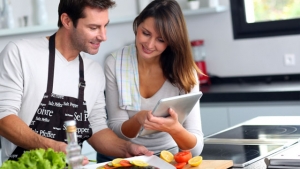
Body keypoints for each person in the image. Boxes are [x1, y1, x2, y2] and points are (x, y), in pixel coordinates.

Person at [0, 0, 153, 164]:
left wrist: (126, 148)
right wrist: (53, 147)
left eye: (105, 26)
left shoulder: (93, 71)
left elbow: (96, 128)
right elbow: (3, 117)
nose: (103, 36)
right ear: (67, 21)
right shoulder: (20, 53)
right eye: (93, 28)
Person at [97, 0, 204, 163]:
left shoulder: (184, 72)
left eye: (161, 40)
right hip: (126, 157)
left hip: (169, 158)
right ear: (137, 24)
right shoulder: (114, 63)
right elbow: (116, 128)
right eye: (146, 33)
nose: (149, 44)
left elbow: (195, 149)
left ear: (171, 41)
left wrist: (175, 129)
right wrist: (138, 119)